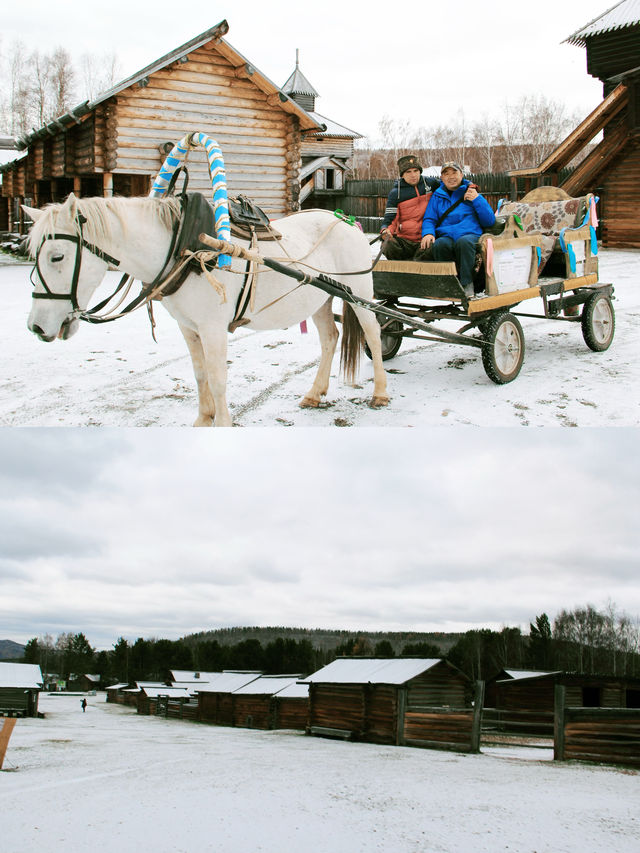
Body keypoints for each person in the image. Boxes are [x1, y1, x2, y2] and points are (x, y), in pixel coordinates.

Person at [420, 162, 495, 296]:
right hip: (447, 235)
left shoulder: (471, 192)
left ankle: (467, 284)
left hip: (469, 234)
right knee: (440, 245)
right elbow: (429, 218)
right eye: (446, 174)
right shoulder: (437, 196)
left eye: (454, 172)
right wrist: (428, 233)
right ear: (442, 178)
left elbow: (489, 220)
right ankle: (447, 283)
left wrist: (477, 200)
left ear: (461, 174)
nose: (451, 177)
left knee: (464, 243)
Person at [380, 155, 440, 260]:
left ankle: (416, 268)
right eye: (408, 172)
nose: (413, 175)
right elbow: (390, 218)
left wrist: (469, 187)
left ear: (420, 171)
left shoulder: (431, 183)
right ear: (402, 175)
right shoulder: (396, 193)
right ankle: (402, 269)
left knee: (433, 245)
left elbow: (451, 184)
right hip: (405, 240)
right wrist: (385, 231)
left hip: (425, 237)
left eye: (415, 170)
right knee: (387, 245)